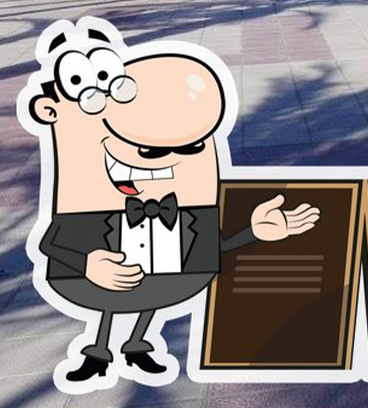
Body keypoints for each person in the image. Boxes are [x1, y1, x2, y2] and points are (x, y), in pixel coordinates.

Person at [22, 19, 320, 388]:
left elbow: (211, 251)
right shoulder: (83, 207)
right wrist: (86, 264)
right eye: (149, 149)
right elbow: (50, 243)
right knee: (116, 295)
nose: (162, 158)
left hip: (169, 281)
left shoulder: (191, 212)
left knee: (154, 290)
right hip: (95, 278)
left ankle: (136, 345)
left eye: (192, 147)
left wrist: (254, 232)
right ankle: (98, 353)